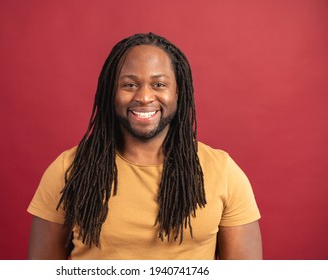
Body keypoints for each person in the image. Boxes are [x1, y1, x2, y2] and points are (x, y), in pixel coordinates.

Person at [27, 32, 262, 260]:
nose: (144, 96)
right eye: (129, 85)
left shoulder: (223, 172)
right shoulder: (69, 169)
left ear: (178, 92)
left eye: (159, 84)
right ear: (111, 92)